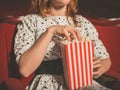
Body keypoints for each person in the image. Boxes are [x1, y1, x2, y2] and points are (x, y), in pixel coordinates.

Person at [14, 0, 112, 90]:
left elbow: (105, 59)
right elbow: (25, 70)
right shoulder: (31, 21)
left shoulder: (83, 23)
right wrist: (51, 31)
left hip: (82, 83)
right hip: (48, 84)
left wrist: (100, 67)